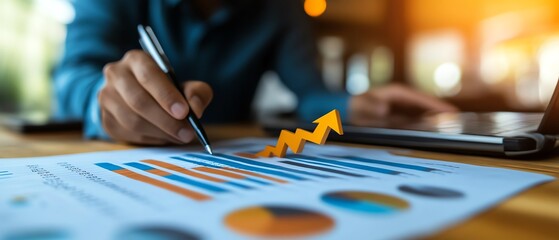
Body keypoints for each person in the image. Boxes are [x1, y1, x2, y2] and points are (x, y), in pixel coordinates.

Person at [54, 0, 456, 145]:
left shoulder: (280, 8)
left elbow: (311, 93)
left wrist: (351, 104)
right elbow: (72, 75)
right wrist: (102, 103)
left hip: (224, 159)